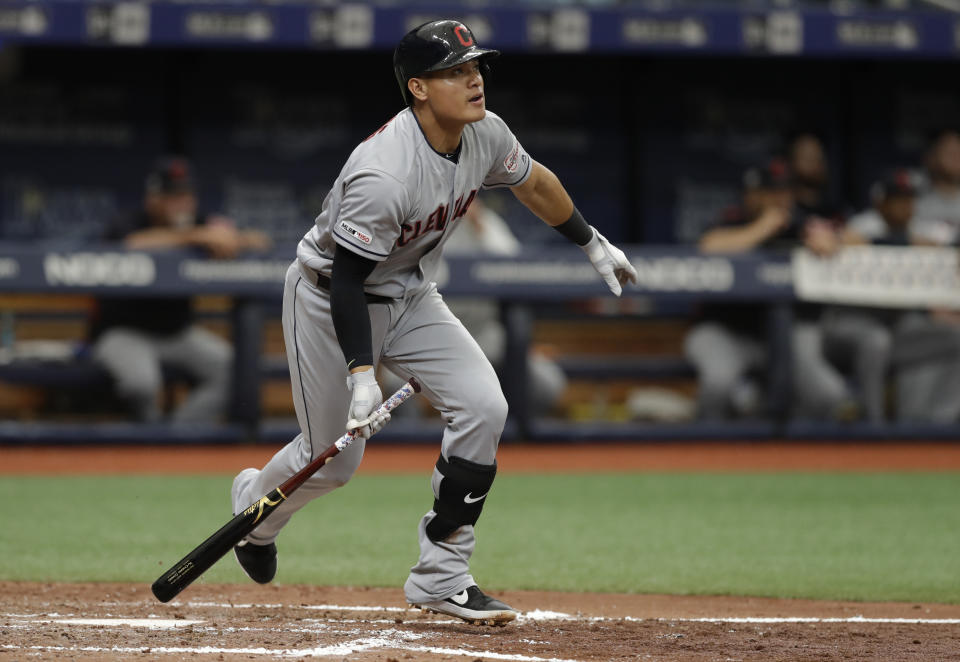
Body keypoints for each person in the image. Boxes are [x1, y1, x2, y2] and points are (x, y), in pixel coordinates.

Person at [228, 20, 637, 626]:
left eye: (475, 68)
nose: (474, 80)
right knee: (335, 461)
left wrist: (590, 242)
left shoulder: (485, 132)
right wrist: (362, 373)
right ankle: (255, 512)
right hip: (325, 300)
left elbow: (536, 183)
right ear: (418, 87)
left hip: (411, 295)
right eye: (455, 71)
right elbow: (346, 280)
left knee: (483, 407)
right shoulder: (384, 171)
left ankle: (441, 576)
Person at [90, 156, 271, 423]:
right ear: (153, 198)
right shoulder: (130, 221)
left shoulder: (200, 222)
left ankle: (176, 434)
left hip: (177, 333)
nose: (183, 203)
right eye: (173, 195)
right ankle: (149, 437)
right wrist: (194, 236)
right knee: (141, 384)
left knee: (237, 370)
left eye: (187, 195)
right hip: (123, 332)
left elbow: (260, 241)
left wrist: (237, 239)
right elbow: (130, 244)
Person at [685, 158, 854, 421]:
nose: (780, 199)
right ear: (751, 196)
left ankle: (788, 454)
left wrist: (834, 241)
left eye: (785, 191)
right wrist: (763, 228)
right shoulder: (733, 220)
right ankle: (703, 450)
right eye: (770, 192)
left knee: (828, 395)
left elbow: (852, 237)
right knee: (719, 383)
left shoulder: (800, 225)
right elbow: (708, 247)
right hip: (723, 332)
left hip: (779, 339)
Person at [821, 169, 917, 423]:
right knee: (877, 339)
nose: (905, 207)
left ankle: (934, 423)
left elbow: (941, 244)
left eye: (909, 200)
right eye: (898, 200)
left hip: (898, 322)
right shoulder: (865, 224)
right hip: (851, 319)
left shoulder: (922, 225)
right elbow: (839, 239)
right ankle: (874, 427)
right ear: (881, 203)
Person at [910, 128, 960, 246]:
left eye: (959, 152)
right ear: (932, 158)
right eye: (950, 153)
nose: (956, 158)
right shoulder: (914, 201)